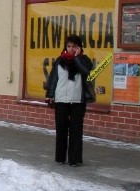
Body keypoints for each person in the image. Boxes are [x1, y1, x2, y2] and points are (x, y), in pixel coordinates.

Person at [45, 35, 94, 167]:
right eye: (68, 46)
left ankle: (74, 159)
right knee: (61, 129)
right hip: (61, 99)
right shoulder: (60, 61)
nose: (70, 48)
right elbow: (53, 79)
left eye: (73, 46)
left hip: (78, 100)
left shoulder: (84, 60)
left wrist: (77, 58)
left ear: (79, 47)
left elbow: (86, 73)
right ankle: (60, 157)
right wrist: (50, 94)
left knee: (76, 130)